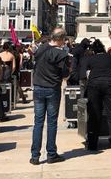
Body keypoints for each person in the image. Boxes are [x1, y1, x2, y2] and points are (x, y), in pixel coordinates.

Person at [30, 28, 70, 165]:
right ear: (60, 39)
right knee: (52, 122)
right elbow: (65, 75)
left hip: (38, 87)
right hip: (52, 89)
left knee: (38, 123)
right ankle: (51, 154)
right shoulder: (61, 54)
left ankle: (35, 156)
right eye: (64, 39)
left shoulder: (41, 49)